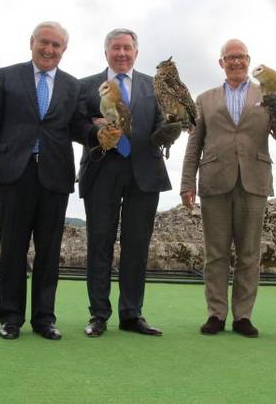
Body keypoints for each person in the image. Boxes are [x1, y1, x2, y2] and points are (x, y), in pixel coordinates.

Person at [0, 21, 95, 341]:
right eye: (44, 42)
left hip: (55, 177)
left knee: (49, 251)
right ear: (32, 42)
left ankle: (44, 319)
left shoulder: (73, 86)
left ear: (64, 50)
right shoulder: (8, 76)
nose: (49, 49)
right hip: (13, 175)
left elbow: (79, 128)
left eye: (56, 45)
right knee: (13, 249)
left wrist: (100, 132)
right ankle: (10, 318)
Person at [180, 39, 276, 337]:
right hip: (214, 181)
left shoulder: (267, 94)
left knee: (249, 253)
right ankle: (216, 314)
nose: (236, 62)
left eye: (241, 57)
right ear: (220, 63)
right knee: (215, 254)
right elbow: (194, 143)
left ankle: (243, 316)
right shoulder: (205, 99)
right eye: (229, 57)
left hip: (254, 180)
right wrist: (186, 182)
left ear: (249, 60)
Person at [78, 28, 181, 337]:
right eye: (115, 48)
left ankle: (131, 314)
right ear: (105, 51)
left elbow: (165, 123)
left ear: (136, 53)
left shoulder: (156, 87)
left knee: (137, 246)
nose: (121, 53)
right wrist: (94, 128)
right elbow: (76, 123)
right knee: (99, 243)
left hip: (144, 174)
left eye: (127, 48)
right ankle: (98, 314)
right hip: (101, 172)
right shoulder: (86, 86)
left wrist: (172, 129)